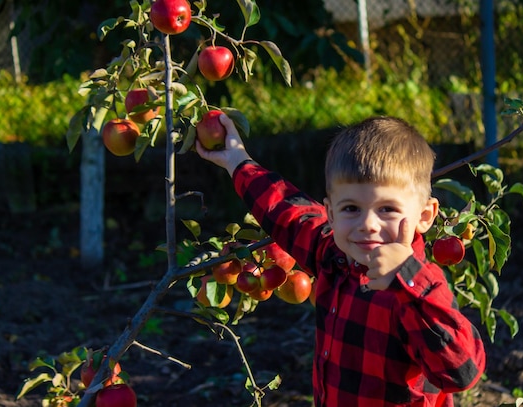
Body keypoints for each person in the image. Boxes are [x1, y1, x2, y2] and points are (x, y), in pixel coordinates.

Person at [196, 114, 486, 407]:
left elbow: (461, 372)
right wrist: (236, 160)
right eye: (351, 208)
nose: (368, 224)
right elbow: (286, 210)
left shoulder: (419, 291)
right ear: (331, 213)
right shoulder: (332, 255)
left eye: (387, 209)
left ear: (424, 216)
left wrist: (407, 277)